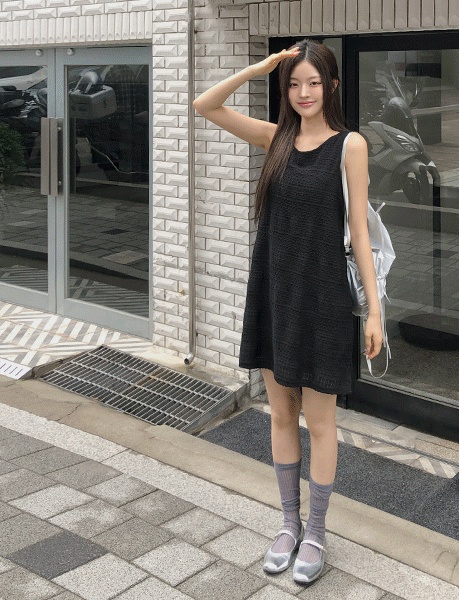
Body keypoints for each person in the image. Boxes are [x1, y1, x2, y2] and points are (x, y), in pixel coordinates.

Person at [193, 39, 382, 584]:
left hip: (323, 298)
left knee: (320, 422)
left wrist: (374, 310)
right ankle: (288, 524)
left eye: (314, 83)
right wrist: (258, 67)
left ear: (332, 87)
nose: (304, 93)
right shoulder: (276, 138)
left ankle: (316, 533)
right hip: (274, 291)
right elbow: (205, 105)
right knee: (280, 414)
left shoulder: (350, 146)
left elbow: (360, 232)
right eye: (294, 84)